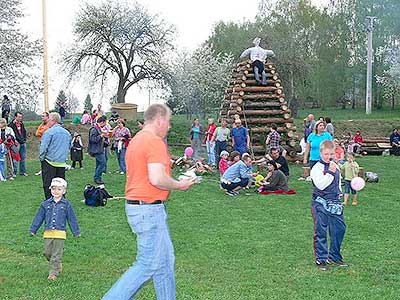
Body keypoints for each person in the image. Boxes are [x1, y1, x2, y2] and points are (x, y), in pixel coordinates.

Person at [103, 104, 195, 300]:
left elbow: (147, 172)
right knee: (147, 265)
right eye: (168, 122)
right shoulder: (154, 142)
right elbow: (156, 178)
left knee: (164, 262)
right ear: (160, 120)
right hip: (148, 210)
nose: (169, 126)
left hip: (142, 208)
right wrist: (180, 185)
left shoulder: (137, 140)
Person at [29, 177, 80, 281]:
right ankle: (57, 264)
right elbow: (39, 217)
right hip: (48, 232)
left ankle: (53, 273)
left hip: (60, 233)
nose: (56, 191)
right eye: (53, 189)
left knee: (56, 254)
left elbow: (72, 218)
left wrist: (76, 231)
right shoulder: (45, 204)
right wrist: (33, 229)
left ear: (64, 191)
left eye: (59, 189)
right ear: (50, 189)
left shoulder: (66, 205)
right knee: (47, 253)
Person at [310, 140, 348, 271]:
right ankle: (321, 259)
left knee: (339, 229)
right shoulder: (317, 168)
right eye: (326, 154)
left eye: (331, 154)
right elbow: (321, 185)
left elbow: (338, 181)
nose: (329, 156)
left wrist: (339, 192)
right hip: (320, 202)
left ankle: (334, 255)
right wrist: (330, 172)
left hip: (335, 202)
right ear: (320, 153)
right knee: (321, 230)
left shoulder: (335, 166)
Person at [39, 112, 71, 200]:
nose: (47, 121)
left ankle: (49, 203)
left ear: (53, 120)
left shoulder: (49, 132)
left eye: (48, 119)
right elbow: (69, 147)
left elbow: (43, 147)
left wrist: (42, 159)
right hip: (61, 162)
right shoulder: (67, 133)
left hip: (50, 162)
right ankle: (61, 202)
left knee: (48, 184)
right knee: (61, 185)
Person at [88, 115, 109, 184]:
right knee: (103, 163)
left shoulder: (98, 128)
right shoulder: (94, 129)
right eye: (105, 122)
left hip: (99, 149)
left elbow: (99, 139)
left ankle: (98, 178)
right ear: (102, 122)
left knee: (99, 164)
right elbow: (92, 139)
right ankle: (97, 177)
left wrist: (105, 140)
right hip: (97, 150)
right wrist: (101, 136)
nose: (105, 124)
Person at [8, 111, 28, 176]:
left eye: (21, 117)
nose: (20, 118)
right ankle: (14, 172)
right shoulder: (11, 125)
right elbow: (10, 134)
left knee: (23, 158)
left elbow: (24, 132)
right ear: (15, 117)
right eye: (19, 117)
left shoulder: (22, 123)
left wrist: (24, 139)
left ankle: (22, 172)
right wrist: (15, 140)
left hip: (23, 143)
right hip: (16, 143)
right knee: (15, 158)